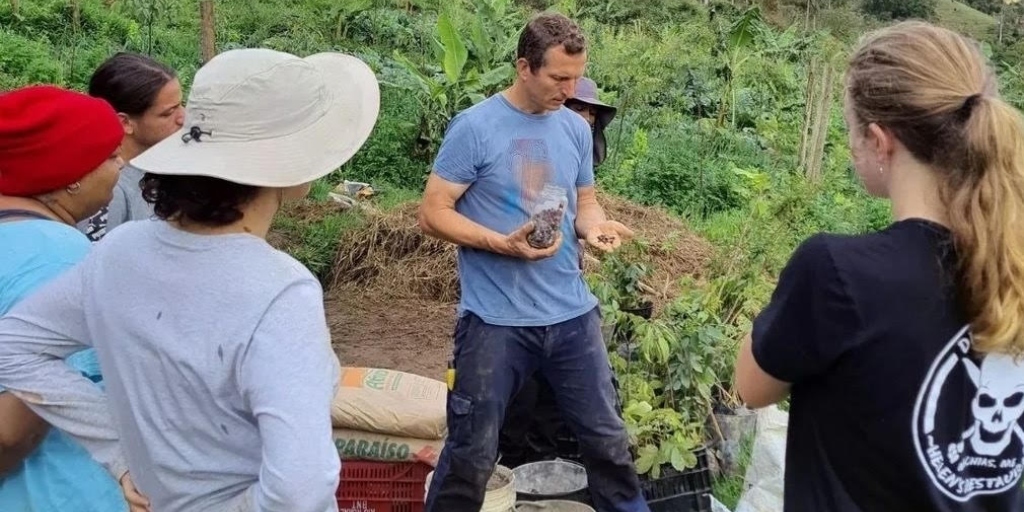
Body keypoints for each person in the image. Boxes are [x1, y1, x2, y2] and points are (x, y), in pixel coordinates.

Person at [0, 48, 381, 511]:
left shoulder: (121, 251)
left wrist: (117, 452)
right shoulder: (280, 290)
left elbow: (13, 346)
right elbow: (300, 489)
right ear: (294, 166)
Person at [735, 21, 1024, 512]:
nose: (850, 147)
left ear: (878, 140)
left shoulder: (836, 271)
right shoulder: (1012, 263)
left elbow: (750, 386)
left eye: (850, 130)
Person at [418, 13, 648, 512]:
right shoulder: (475, 128)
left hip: (571, 315)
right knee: (471, 456)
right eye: (558, 78)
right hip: (494, 323)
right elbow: (432, 214)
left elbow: (584, 201)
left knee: (608, 444)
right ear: (524, 67)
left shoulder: (574, 130)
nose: (570, 89)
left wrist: (595, 227)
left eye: (576, 76)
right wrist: (502, 243)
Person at [0, 85, 128, 511]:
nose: (122, 164)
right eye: (110, 155)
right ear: (70, 174)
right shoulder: (61, 257)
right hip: (53, 494)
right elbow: (14, 427)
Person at [499, 75, 620, 468]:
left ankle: (543, 465)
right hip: (520, 291)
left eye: (589, 111)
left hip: (562, 290)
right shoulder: (527, 155)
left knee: (551, 396)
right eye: (577, 108)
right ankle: (516, 464)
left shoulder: (575, 153)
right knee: (523, 391)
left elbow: (586, 206)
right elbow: (529, 221)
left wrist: (593, 227)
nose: (584, 117)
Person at [78, 52, 184, 241]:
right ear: (125, 123)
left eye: (181, 105)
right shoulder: (109, 191)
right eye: (168, 113)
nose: (183, 118)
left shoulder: (159, 166)